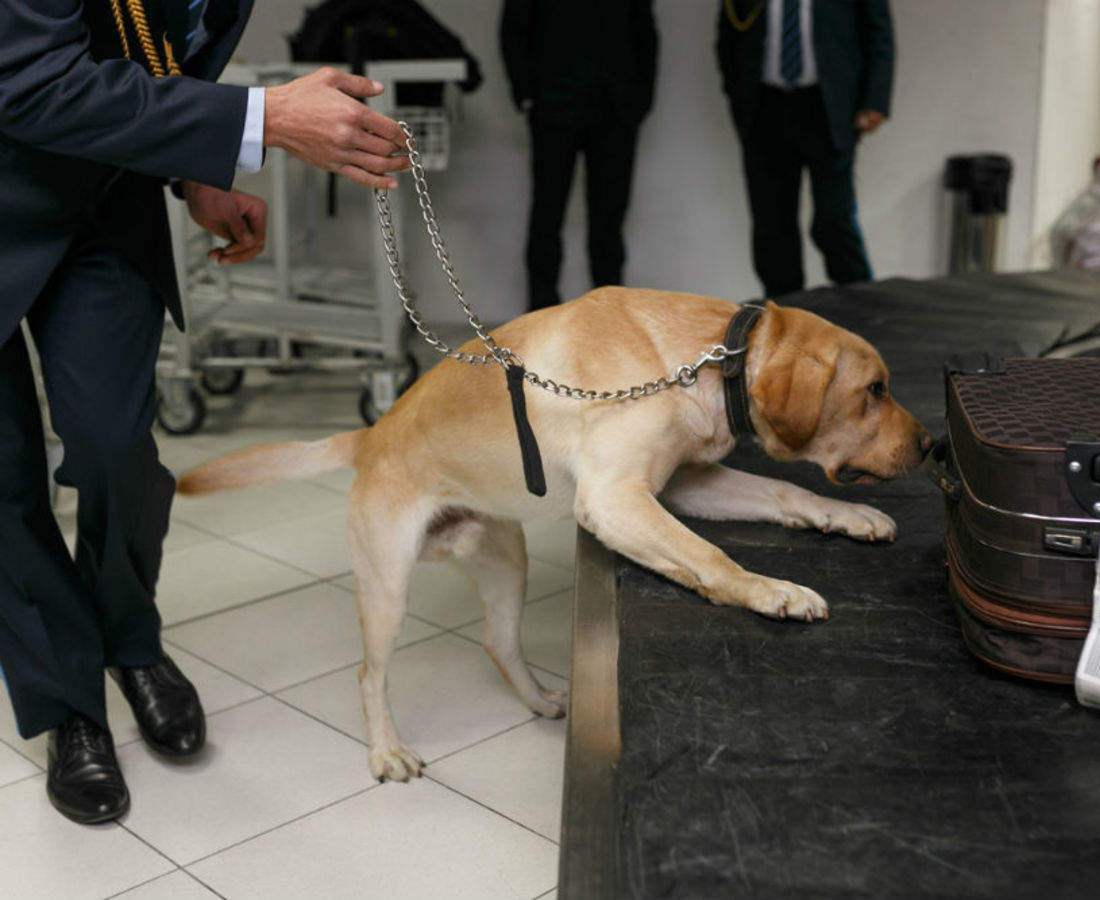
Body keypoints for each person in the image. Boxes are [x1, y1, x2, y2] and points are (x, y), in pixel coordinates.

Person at [0, 0, 411, 825]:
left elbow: (147, 58)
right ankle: (67, 700)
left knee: (113, 443)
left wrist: (196, 172)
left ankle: (128, 639)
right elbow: (31, 78)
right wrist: (265, 117)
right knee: (6, 484)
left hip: (99, 203)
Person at [717, 0, 894, 298]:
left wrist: (874, 100)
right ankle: (786, 313)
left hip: (826, 108)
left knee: (833, 219)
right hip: (766, 108)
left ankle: (861, 302)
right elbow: (728, 35)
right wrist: (738, 96)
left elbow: (878, 34)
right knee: (772, 223)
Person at [501, 0, 658, 310]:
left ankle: (608, 312)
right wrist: (527, 94)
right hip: (554, 102)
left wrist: (640, 99)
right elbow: (514, 28)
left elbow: (645, 31)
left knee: (609, 217)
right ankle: (542, 311)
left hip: (615, 105)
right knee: (548, 211)